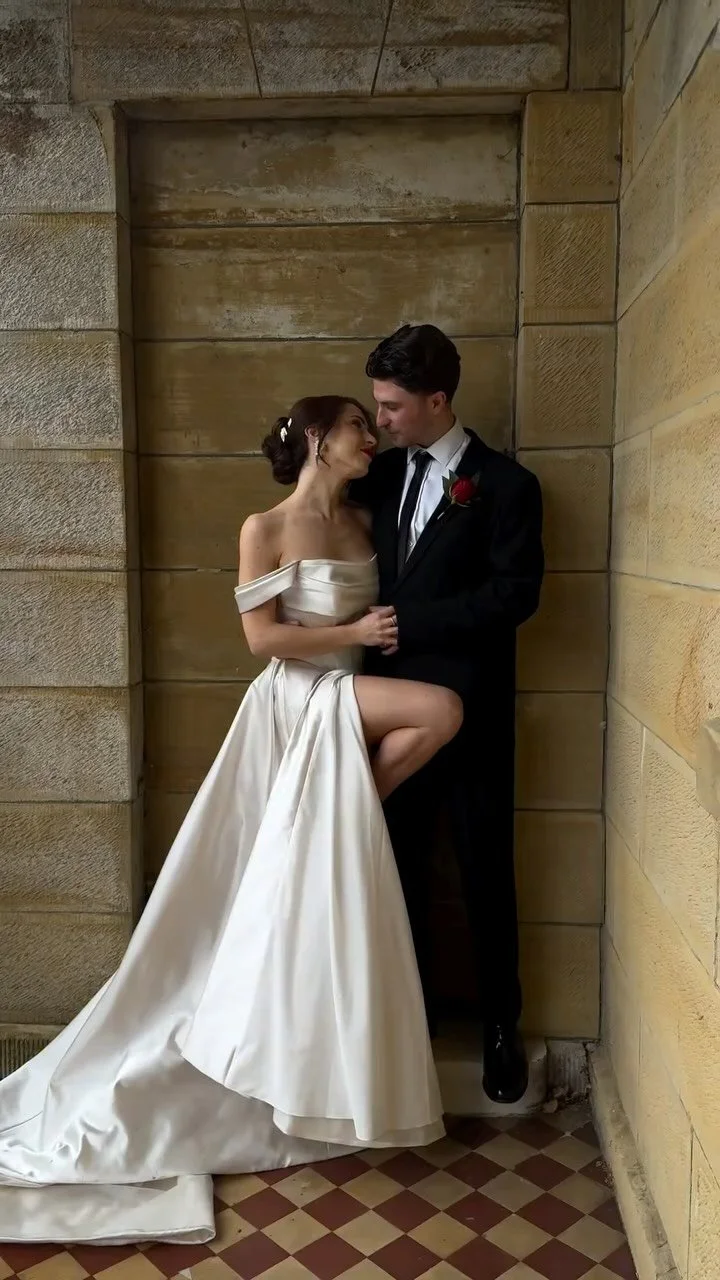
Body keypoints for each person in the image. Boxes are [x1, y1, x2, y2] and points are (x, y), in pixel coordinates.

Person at [0, 394, 459, 1246]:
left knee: (434, 717)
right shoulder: (266, 527)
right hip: (298, 699)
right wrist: (358, 629)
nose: (371, 437)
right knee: (440, 710)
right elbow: (261, 640)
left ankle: (331, 817)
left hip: (342, 695)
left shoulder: (366, 520)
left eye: (373, 425)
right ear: (318, 438)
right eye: (357, 425)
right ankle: (330, 815)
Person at [352, 325, 544, 1104]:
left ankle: (501, 1027)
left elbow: (515, 596)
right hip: (386, 714)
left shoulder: (507, 485)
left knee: (483, 868)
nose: (380, 420)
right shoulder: (377, 474)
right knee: (394, 864)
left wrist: (408, 623)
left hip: (474, 710)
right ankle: (410, 1016)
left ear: (438, 400)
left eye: (392, 406)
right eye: (375, 405)